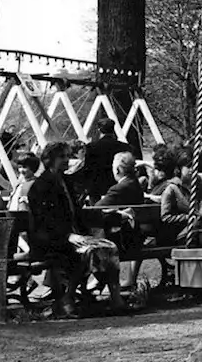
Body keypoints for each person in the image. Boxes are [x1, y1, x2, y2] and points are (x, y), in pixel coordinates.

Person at [26, 140, 125, 318]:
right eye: (62, 157)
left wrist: (112, 216)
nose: (67, 160)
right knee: (87, 252)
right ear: (50, 159)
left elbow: (78, 214)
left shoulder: (65, 182)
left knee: (109, 247)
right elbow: (44, 220)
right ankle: (67, 298)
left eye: (67, 156)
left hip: (71, 237)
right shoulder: (40, 186)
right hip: (49, 240)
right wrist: (68, 235)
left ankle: (116, 299)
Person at [158, 148, 202, 247]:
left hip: (199, 228)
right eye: (188, 166)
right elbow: (165, 217)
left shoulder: (199, 185)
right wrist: (187, 217)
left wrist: (200, 215)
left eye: (194, 166)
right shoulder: (172, 188)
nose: (192, 169)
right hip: (179, 233)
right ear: (180, 168)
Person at [79, 118, 129, 203]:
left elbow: (88, 168)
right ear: (113, 129)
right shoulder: (124, 147)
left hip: (97, 187)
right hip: (116, 184)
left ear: (99, 130)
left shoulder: (91, 147)